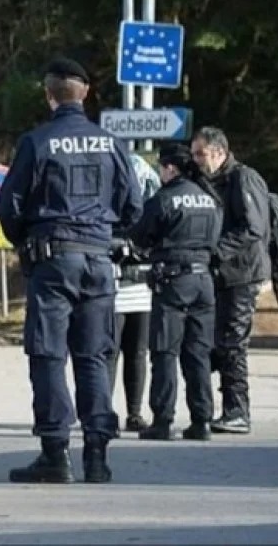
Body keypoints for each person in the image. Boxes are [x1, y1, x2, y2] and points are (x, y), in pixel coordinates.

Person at [0, 57, 142, 484]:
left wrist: (25, 240)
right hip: (99, 261)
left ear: (48, 95)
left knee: (48, 355)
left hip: (53, 260)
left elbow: (9, 205)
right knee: (94, 355)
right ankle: (96, 456)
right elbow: (133, 206)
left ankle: (55, 453)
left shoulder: (37, 142)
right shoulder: (112, 143)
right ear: (87, 93)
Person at [126, 144, 222, 441]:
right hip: (204, 282)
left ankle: (163, 420)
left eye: (162, 168)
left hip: (173, 281)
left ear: (170, 168)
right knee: (198, 354)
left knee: (165, 352)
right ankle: (201, 420)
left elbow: (140, 236)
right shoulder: (209, 199)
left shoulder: (165, 198)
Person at [190, 126, 270, 434]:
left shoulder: (243, 178)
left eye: (201, 154)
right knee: (216, 342)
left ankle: (237, 411)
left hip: (243, 273)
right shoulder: (210, 181)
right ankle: (216, 405)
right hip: (223, 274)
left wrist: (215, 252)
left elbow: (253, 228)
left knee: (233, 343)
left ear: (219, 152)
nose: (195, 160)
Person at [107, 152, 162, 435]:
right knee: (111, 353)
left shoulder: (152, 212)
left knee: (137, 353)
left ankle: (135, 412)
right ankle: (105, 412)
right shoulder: (106, 209)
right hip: (114, 289)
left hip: (141, 289)